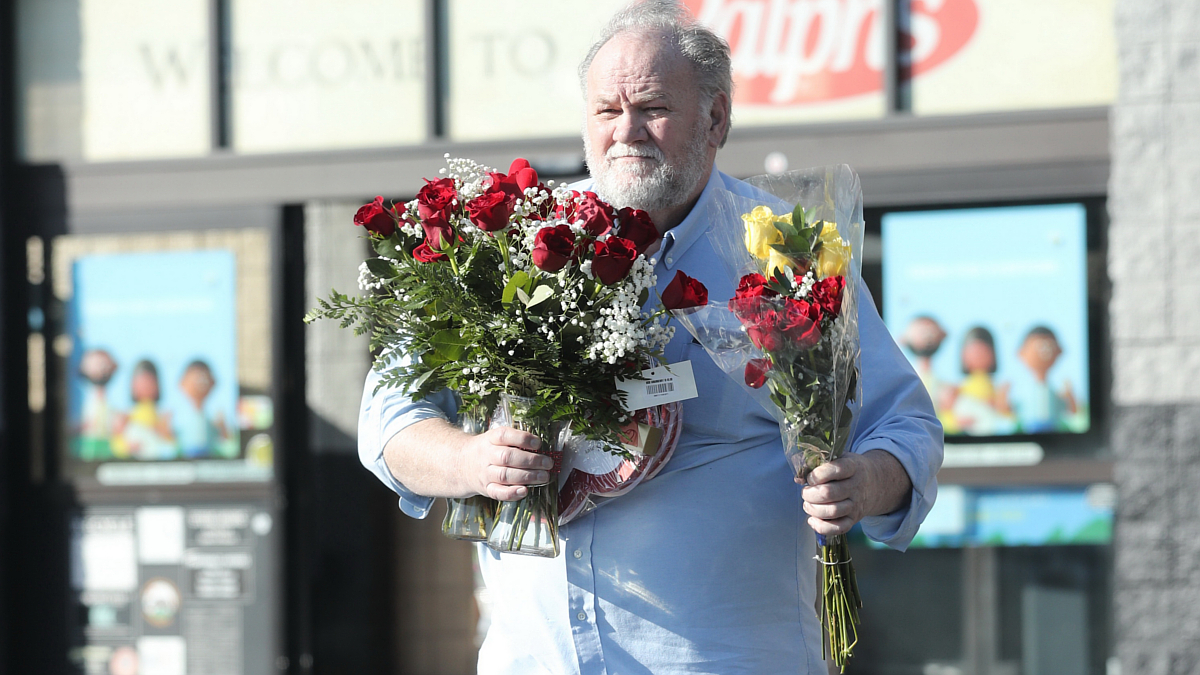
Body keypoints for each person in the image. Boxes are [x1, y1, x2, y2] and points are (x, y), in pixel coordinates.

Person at [358, 2, 942, 672]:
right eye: (607, 110)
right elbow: (388, 416)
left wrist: (863, 483)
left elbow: (907, 426)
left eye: (653, 108)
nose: (626, 131)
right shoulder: (518, 243)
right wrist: (471, 460)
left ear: (716, 118)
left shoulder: (788, 252)